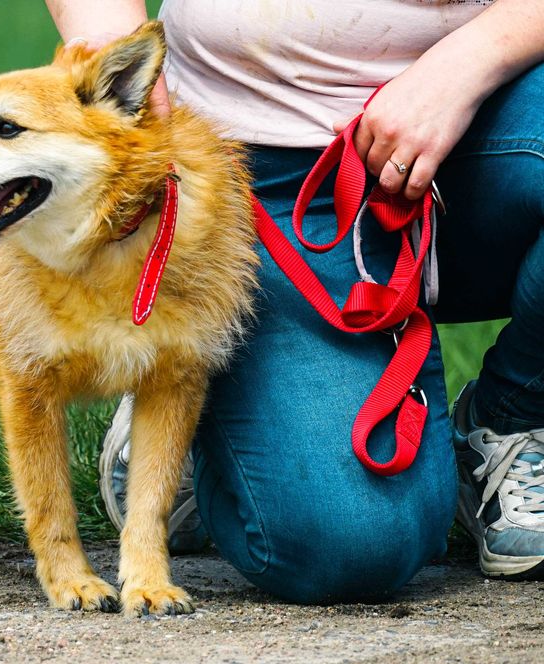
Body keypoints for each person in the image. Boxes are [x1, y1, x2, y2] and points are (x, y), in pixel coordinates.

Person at [45, 0, 544, 602]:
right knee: (351, 545)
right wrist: (105, 40)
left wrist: (463, 65)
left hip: (495, 109)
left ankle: (510, 416)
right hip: (261, 156)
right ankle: (176, 390)